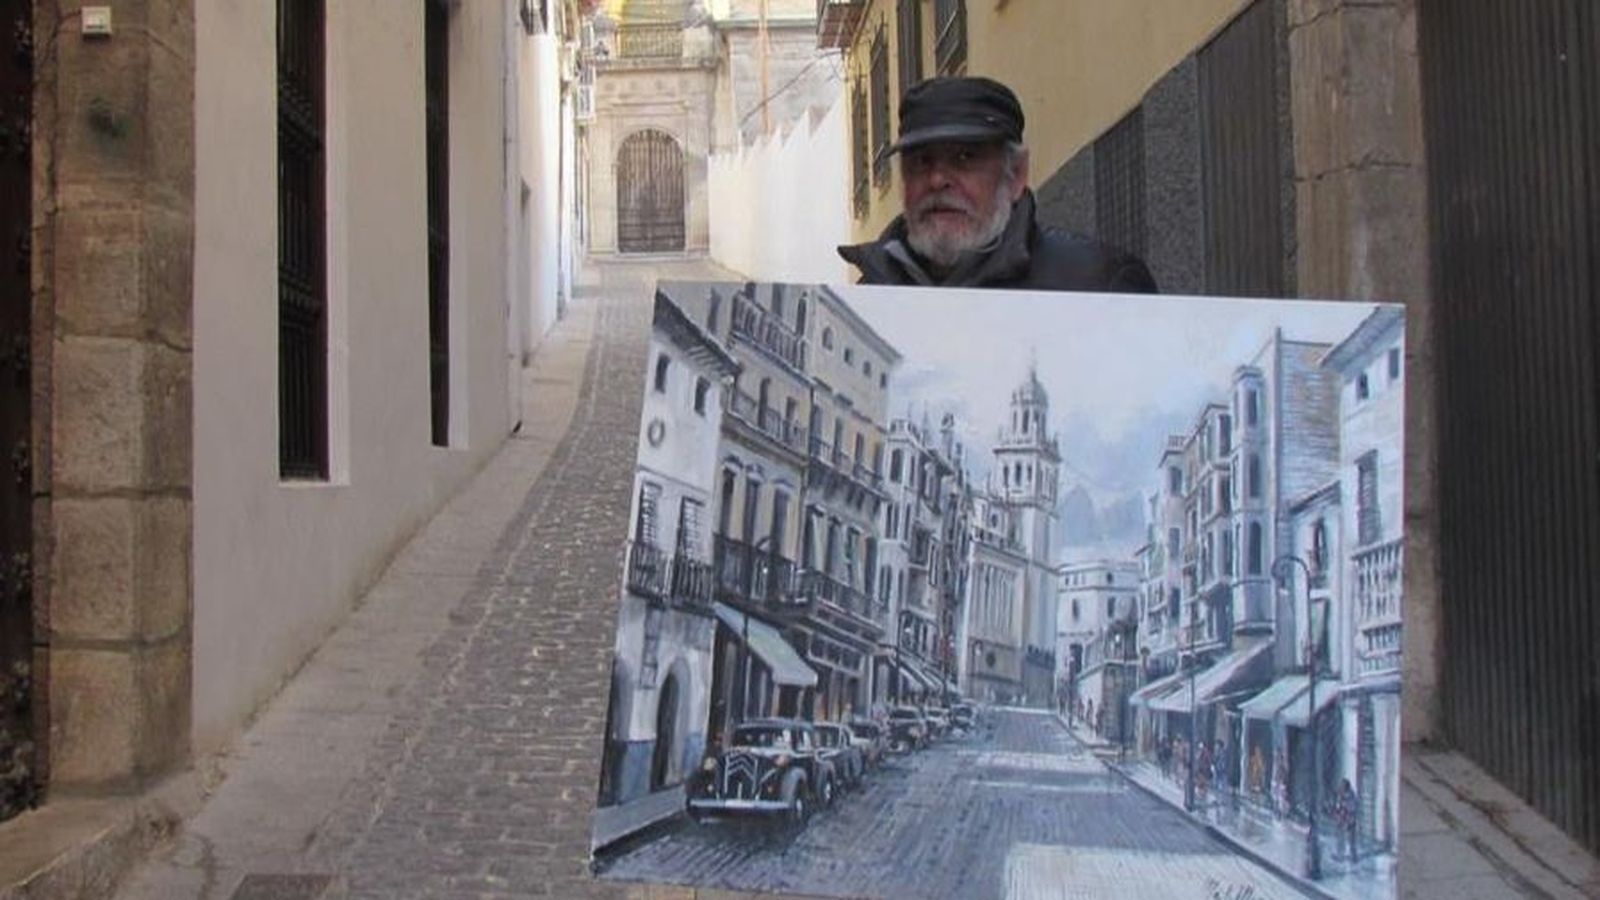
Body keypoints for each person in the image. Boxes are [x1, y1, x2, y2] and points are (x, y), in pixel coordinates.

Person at [838, 76, 1158, 293]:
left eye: (964, 158)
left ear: (1016, 174)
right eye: (921, 162)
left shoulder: (1097, 284)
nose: (937, 180)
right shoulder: (870, 297)